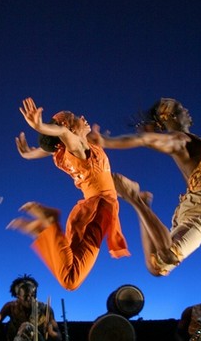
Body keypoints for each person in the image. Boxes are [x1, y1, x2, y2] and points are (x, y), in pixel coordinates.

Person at [92, 98, 201, 276]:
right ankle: (135, 199)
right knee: (167, 257)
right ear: (169, 115)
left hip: (192, 204)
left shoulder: (183, 141)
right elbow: (145, 139)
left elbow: (148, 138)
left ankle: (142, 203)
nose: (186, 109)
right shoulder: (180, 139)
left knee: (156, 268)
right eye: (180, 107)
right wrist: (106, 141)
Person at [7, 98, 134, 291]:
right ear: (69, 127)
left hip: (91, 211)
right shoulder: (79, 150)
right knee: (70, 279)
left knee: (69, 271)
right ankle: (48, 225)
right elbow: (63, 134)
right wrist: (40, 126)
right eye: (75, 117)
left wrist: (29, 154)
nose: (82, 118)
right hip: (98, 210)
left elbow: (51, 147)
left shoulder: (67, 152)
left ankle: (46, 230)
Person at [0, 275, 62, 341]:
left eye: (33, 295)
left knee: (27, 327)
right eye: (26, 296)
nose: (30, 299)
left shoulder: (45, 309)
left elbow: (59, 337)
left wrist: (52, 333)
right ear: (18, 296)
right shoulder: (10, 307)